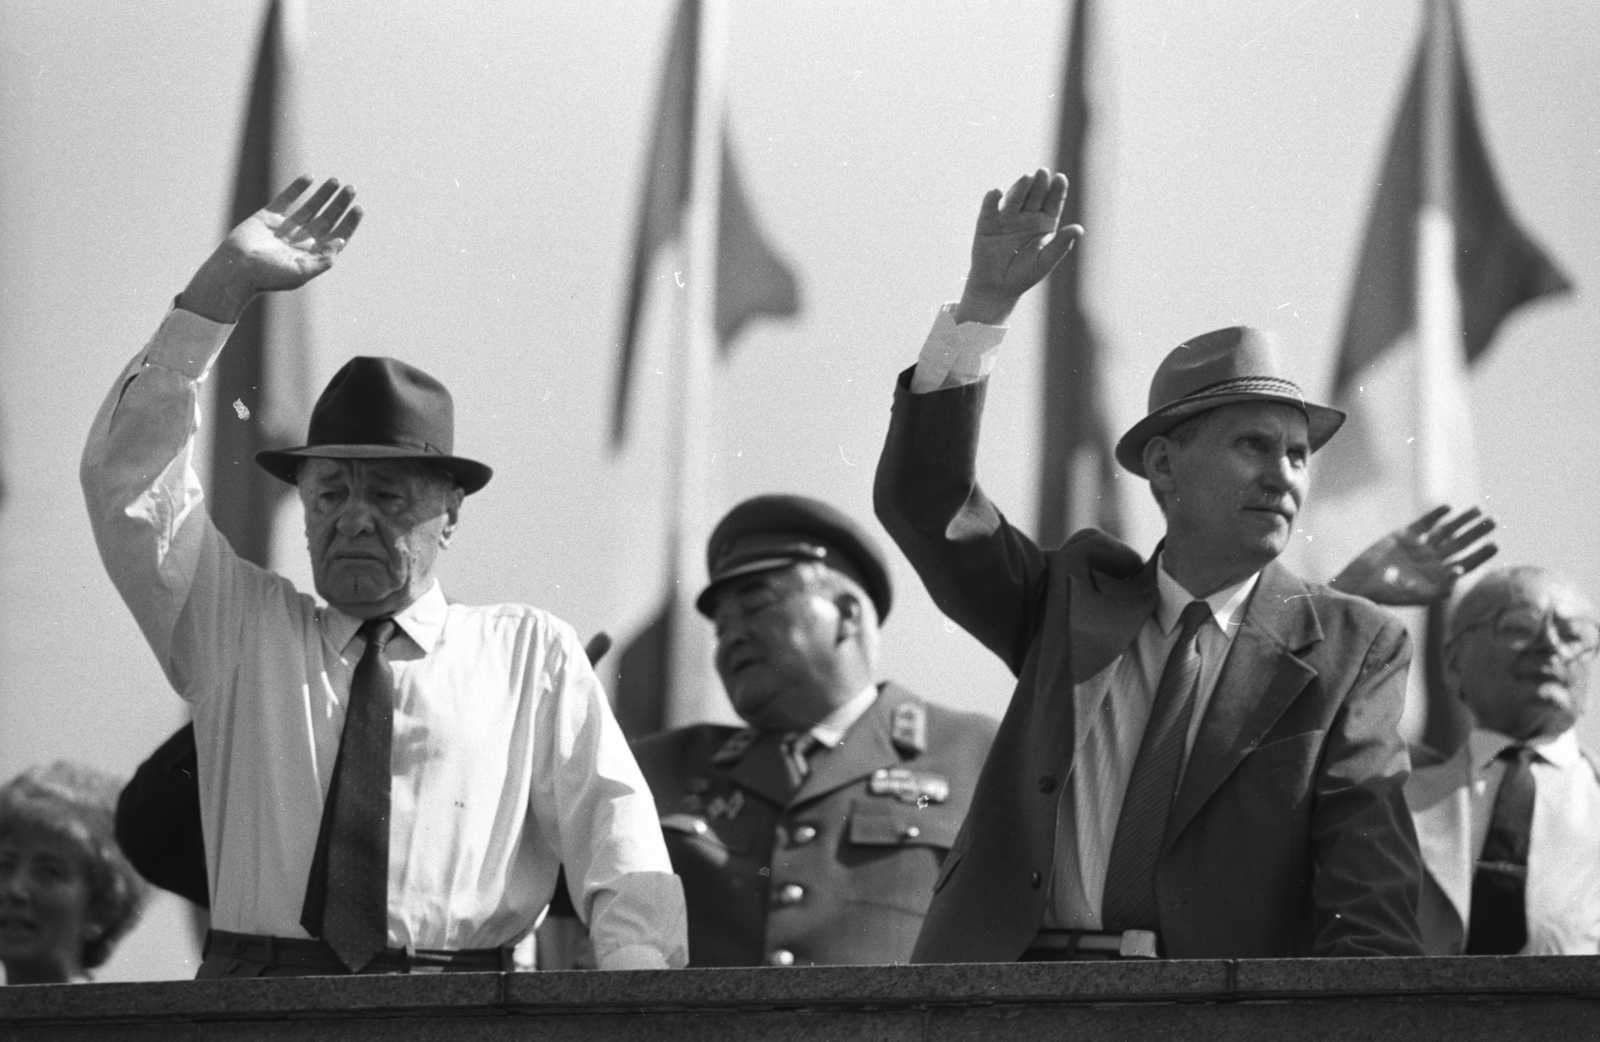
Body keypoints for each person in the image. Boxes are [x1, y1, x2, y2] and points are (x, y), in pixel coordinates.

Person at [81, 177, 686, 976]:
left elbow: (619, 835)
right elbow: (131, 486)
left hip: (465, 1013)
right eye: (329, 492)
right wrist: (217, 293)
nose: (354, 518)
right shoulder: (240, 631)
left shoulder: (527, 653)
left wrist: (642, 1006)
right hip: (258, 1013)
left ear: (451, 512)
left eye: (388, 495)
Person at [874, 169, 1425, 962]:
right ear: (1164, 466)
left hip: (1211, 1018)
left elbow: (1369, 893)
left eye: (1300, 454)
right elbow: (930, 505)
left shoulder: (1351, 645)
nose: (1286, 474)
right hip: (1007, 1005)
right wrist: (981, 312)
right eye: (1254, 446)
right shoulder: (1070, 597)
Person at [627, 495, 998, 966]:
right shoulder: (659, 766)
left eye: (757, 605)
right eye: (720, 629)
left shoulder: (976, 754)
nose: (730, 638)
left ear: (847, 615)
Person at [1407, 566, 1600, 955]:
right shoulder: (1396, 795)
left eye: (1573, 634)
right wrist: (1348, 593)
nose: (1550, 645)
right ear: (1453, 661)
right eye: (1520, 627)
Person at [0, 763, 148, 984]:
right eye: (5, 866)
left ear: (101, 913)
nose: (14, 889)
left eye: (49, 872)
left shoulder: (118, 1018)